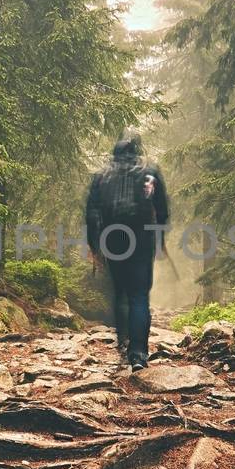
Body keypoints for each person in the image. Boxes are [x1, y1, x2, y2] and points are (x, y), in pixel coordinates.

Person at [85, 130, 169, 369]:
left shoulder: (101, 177)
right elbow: (161, 209)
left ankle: (123, 341)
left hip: (113, 239)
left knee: (120, 291)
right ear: (136, 153)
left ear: (114, 155)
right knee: (139, 295)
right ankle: (138, 354)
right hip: (142, 238)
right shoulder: (149, 173)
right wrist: (160, 236)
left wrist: (95, 245)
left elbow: (92, 214)